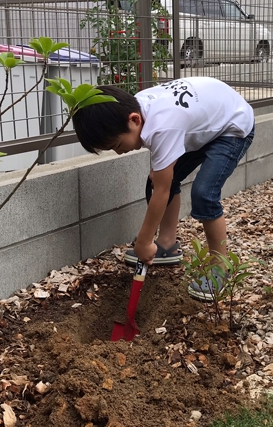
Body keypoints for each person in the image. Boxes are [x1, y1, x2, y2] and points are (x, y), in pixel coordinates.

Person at [72, 76, 255, 301]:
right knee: (156, 181)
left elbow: (163, 191)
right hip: (203, 124)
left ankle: (220, 266)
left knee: (204, 194)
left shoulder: (161, 125)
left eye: (117, 146)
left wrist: (143, 242)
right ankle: (166, 245)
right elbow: (161, 179)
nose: (119, 152)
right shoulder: (138, 107)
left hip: (232, 126)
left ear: (134, 119)